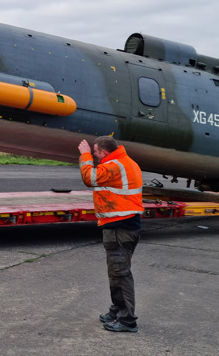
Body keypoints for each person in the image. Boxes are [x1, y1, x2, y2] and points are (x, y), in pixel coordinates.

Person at [79, 136, 143, 333]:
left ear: (104, 152)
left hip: (121, 227)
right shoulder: (124, 162)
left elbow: (89, 178)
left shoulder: (115, 165)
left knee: (120, 274)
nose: (96, 157)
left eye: (96, 153)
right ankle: (117, 311)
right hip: (119, 225)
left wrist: (85, 156)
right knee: (116, 273)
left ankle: (127, 320)